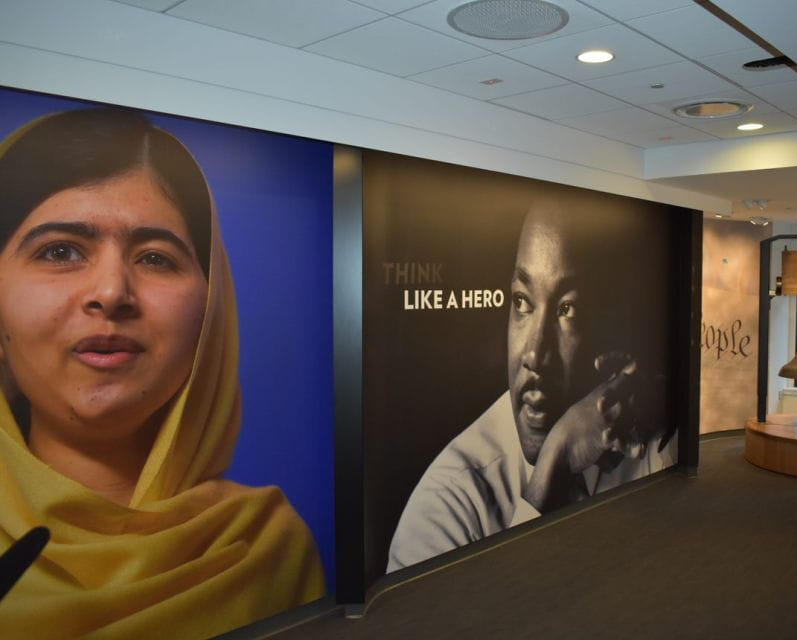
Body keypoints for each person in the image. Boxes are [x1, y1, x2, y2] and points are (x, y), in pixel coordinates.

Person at [0, 108, 324, 637]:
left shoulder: (266, 546)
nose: (111, 293)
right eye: (60, 251)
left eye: (155, 258)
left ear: (212, 316)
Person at [387, 201, 677, 572]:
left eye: (567, 309)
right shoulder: (447, 504)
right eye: (522, 302)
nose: (536, 354)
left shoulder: (641, 430)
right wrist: (550, 474)